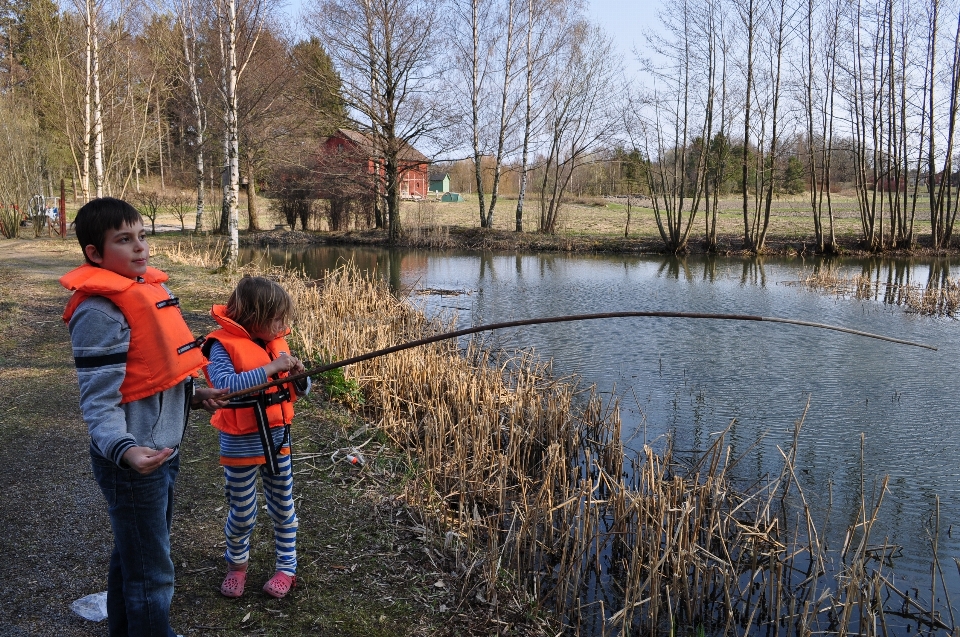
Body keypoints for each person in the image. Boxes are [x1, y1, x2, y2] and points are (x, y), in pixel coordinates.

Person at [61, 197, 227, 637]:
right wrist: (126, 450)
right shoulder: (99, 312)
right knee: (153, 574)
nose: (140, 249)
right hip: (133, 463)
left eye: (141, 237)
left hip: (158, 451)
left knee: (132, 555)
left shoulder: (148, 290)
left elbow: (150, 374)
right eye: (124, 240)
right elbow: (99, 402)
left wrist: (192, 394)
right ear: (94, 254)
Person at [202, 276, 310, 599]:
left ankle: (286, 568)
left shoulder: (276, 343)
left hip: (278, 440)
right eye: (278, 318)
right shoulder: (220, 346)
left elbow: (299, 392)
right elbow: (224, 385)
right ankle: (237, 566)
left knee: (282, 506)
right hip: (240, 443)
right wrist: (270, 368)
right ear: (254, 318)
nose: (283, 325)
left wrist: (299, 378)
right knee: (243, 510)